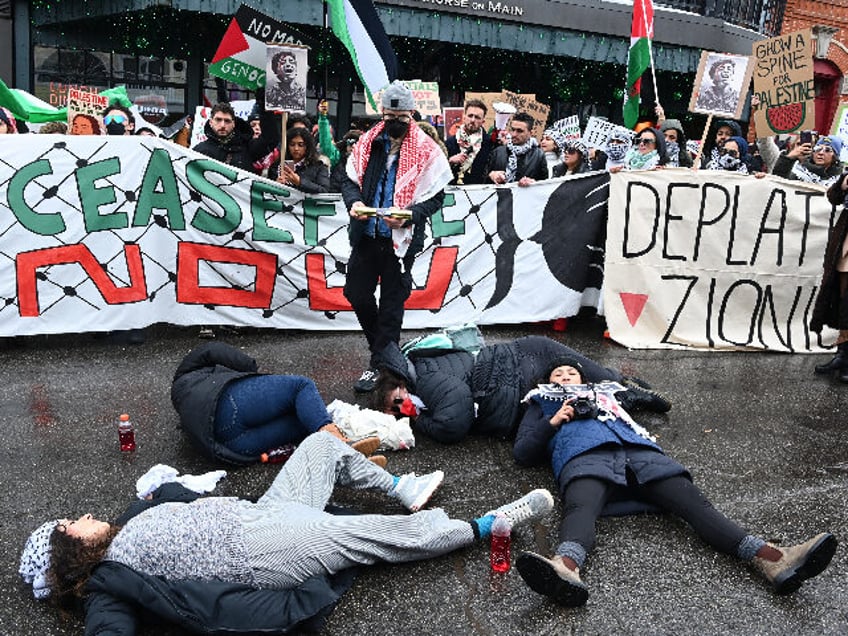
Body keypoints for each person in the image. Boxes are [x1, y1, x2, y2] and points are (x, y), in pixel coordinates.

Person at [25, 431, 554, 633]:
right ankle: (486, 525)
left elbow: (173, 496)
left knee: (321, 445)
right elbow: (108, 630)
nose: (82, 517)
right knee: (379, 536)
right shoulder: (105, 586)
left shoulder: (124, 525)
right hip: (261, 550)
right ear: (74, 550)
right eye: (72, 525)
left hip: (261, 513)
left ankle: (401, 487)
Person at [512, 358, 837, 606]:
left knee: (697, 507)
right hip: (585, 456)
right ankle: (565, 568)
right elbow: (524, 452)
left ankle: (774, 559)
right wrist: (554, 421)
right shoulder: (541, 401)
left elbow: (660, 402)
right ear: (547, 381)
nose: (566, 377)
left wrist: (624, 385)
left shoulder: (609, 395)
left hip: (642, 454)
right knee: (580, 509)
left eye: (572, 373)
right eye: (558, 374)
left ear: (583, 377)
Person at [340, 80, 452, 393]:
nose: (394, 125)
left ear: (411, 115)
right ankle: (385, 354)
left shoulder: (426, 150)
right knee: (356, 294)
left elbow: (436, 197)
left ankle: (381, 365)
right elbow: (348, 180)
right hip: (367, 235)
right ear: (383, 114)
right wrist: (355, 203)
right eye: (389, 118)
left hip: (401, 242)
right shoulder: (368, 142)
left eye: (400, 120)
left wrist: (411, 215)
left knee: (391, 304)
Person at [372, 335, 672, 445]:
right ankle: (628, 393)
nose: (399, 412)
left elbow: (455, 420)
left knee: (578, 377)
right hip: (515, 371)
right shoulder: (423, 377)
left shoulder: (423, 379)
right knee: (574, 397)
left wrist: (418, 419)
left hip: (517, 368)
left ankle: (627, 389)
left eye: (395, 404)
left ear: (400, 386)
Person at [170, 341, 379, 464]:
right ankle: (342, 445)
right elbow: (213, 349)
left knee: (305, 424)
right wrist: (250, 369)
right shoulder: (187, 373)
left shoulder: (185, 405)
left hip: (233, 445)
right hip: (228, 404)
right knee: (301, 387)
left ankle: (348, 463)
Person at [810, 174, 848, 382]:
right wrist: (843, 185)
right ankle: (842, 353)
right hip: (844, 241)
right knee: (842, 300)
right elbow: (833, 198)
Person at [192, 101, 276, 175]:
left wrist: (264, 106)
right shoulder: (199, 150)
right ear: (211, 122)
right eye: (218, 120)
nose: (222, 125)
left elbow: (270, 140)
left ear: (233, 124)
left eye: (227, 121)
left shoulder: (247, 147)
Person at [486, 111, 548, 185]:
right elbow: (483, 179)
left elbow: (544, 185)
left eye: (519, 131)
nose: (514, 134)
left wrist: (532, 183)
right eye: (512, 129)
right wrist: (491, 175)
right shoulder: (498, 152)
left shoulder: (538, 155)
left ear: (530, 133)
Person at [764, 134, 843, 187]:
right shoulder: (797, 172)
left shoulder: (839, 182)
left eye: (827, 150)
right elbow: (778, 179)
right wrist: (789, 157)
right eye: (818, 149)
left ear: (835, 157)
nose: (821, 153)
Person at [445, 99, 493, 185]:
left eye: (477, 117)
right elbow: (439, 172)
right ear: (464, 117)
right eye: (470, 116)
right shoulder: (449, 142)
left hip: (480, 194)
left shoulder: (490, 143)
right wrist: (450, 161)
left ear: (483, 122)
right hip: (453, 194)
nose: (472, 120)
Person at [271, 127, 330, 194]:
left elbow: (324, 190)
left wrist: (300, 182)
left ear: (307, 146)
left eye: (300, 145)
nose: (296, 148)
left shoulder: (319, 167)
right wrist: (275, 185)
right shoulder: (277, 166)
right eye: (292, 144)